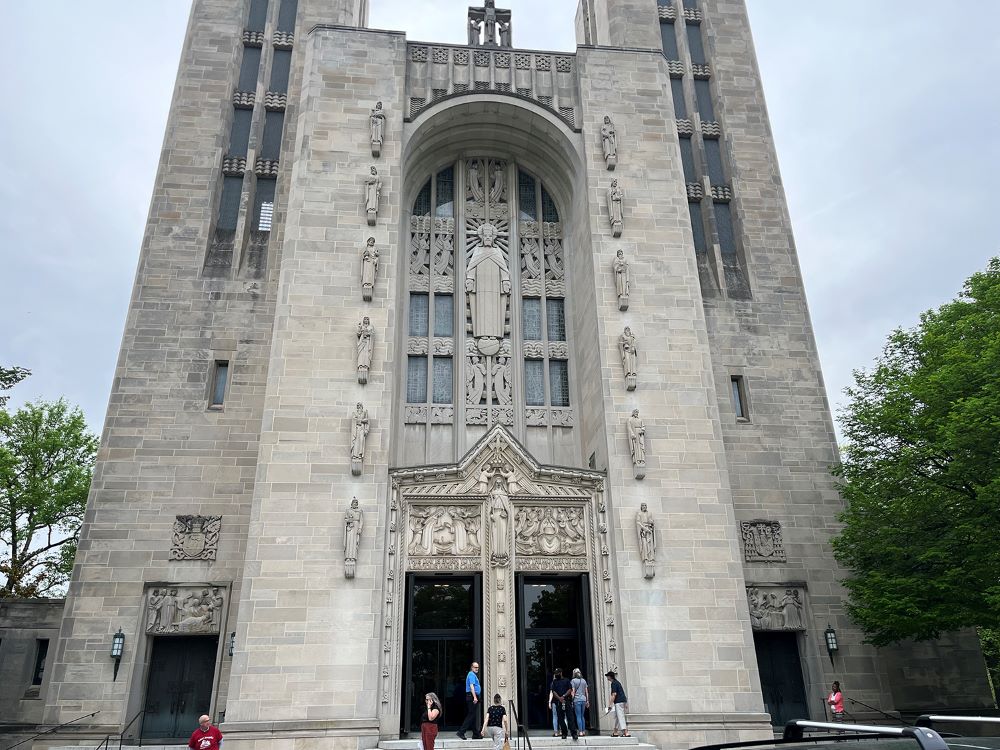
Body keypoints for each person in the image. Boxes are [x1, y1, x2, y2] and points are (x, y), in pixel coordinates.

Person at [549, 667, 578, 740]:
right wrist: (559, 698)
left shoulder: (566, 680)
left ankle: (574, 733)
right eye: (555, 674)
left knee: (570, 718)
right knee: (561, 719)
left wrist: (564, 696)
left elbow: (570, 689)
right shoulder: (554, 682)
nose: (556, 675)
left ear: (561, 673)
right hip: (558, 702)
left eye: (557, 673)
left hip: (567, 701)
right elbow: (553, 691)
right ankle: (564, 733)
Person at [458, 661, 483, 739]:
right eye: (475, 667)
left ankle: (475, 734)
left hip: (472, 696)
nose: (477, 669)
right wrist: (475, 697)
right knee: (471, 715)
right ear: (472, 668)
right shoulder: (471, 674)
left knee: (473, 715)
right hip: (472, 696)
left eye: (478, 667)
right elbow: (471, 686)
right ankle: (461, 732)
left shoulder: (472, 675)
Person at [605, 670, 629, 737]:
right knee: (617, 717)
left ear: (610, 677)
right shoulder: (617, 682)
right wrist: (625, 702)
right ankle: (615, 731)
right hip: (621, 701)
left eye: (607, 676)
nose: (607, 677)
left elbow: (614, 694)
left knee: (620, 716)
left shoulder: (614, 683)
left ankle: (626, 732)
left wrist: (610, 705)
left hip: (618, 702)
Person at [570, 668, 590, 736]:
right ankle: (583, 731)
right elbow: (586, 691)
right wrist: (587, 700)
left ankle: (580, 732)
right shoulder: (584, 680)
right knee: (582, 716)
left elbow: (573, 691)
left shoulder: (573, 681)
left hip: (577, 700)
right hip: (583, 699)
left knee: (578, 716)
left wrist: (572, 700)